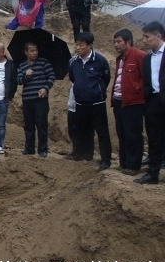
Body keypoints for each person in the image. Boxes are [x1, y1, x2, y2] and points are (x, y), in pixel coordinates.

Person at [67, 32, 112, 171]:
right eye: (77, 44)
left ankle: (106, 160)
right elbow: (73, 78)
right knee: (83, 130)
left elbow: (106, 78)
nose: (78, 47)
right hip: (81, 102)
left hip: (97, 102)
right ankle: (84, 154)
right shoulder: (74, 62)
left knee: (102, 131)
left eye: (81, 45)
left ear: (89, 45)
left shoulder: (99, 60)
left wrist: (96, 91)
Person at [110, 29, 146, 176]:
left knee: (133, 134)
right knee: (122, 133)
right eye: (115, 42)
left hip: (134, 102)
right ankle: (124, 163)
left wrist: (138, 91)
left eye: (119, 41)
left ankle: (133, 165)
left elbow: (146, 78)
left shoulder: (139, 56)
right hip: (119, 101)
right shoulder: (120, 59)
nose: (116, 45)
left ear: (128, 42)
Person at [134, 22, 165, 185]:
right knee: (154, 139)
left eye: (147, 36)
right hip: (153, 101)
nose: (144, 40)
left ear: (158, 36)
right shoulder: (146, 58)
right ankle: (153, 174)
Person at [17, 42, 55, 158]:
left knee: (42, 125)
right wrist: (26, 75)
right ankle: (29, 148)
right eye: (32, 51)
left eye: (36, 50)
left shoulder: (44, 62)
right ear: (26, 52)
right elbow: (18, 81)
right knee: (29, 126)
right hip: (27, 99)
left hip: (40, 100)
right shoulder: (22, 66)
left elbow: (51, 76)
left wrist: (45, 88)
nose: (35, 53)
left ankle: (43, 149)